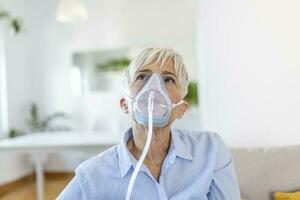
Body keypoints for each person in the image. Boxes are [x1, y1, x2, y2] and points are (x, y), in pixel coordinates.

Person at [57, 47, 240, 199]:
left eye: (168, 79)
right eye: (142, 77)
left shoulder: (211, 151)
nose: (154, 88)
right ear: (125, 104)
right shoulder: (93, 175)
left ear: (181, 109)